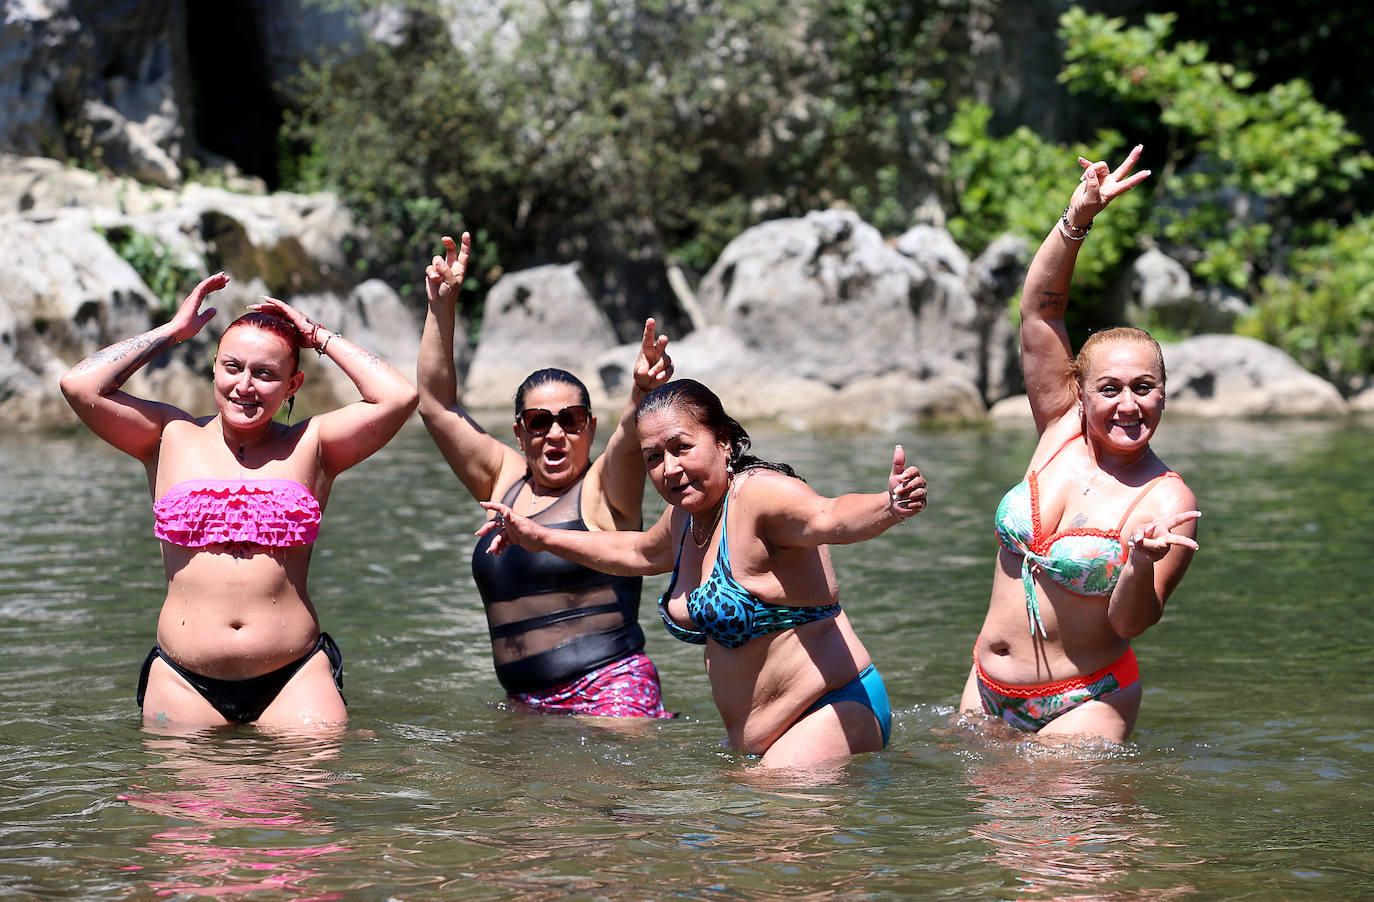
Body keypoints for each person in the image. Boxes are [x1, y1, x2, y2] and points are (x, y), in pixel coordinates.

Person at [477, 378, 928, 768]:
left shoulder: (759, 496)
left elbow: (828, 515)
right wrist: (539, 536)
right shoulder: (686, 519)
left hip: (830, 709)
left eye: (681, 448)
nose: (669, 469)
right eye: (653, 458)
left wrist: (887, 506)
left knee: (757, 835)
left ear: (724, 441)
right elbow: (635, 550)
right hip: (756, 742)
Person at [60, 273, 419, 727]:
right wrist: (172, 331)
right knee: (185, 800)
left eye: (266, 373)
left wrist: (319, 336)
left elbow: (400, 396)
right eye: (232, 367)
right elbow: (80, 386)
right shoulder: (168, 435)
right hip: (183, 679)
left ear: (293, 385)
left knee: (314, 797)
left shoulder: (314, 444)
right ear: (213, 366)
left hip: (294, 677)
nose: (245, 385)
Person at [959, 145, 1200, 742]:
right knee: (993, 835)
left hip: (1086, 699)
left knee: (1068, 834)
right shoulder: (1060, 427)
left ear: (1164, 395)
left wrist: (1140, 564)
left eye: (1144, 388)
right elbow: (1040, 311)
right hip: (986, 688)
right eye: (1110, 388)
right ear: (1081, 394)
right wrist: (1077, 221)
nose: (1127, 405)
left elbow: (1133, 621)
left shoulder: (1167, 503)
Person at [417, 232, 675, 717]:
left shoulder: (604, 489)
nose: (555, 434)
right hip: (524, 704)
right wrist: (441, 305)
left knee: (594, 796)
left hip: (610, 689)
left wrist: (640, 392)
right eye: (539, 422)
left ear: (589, 427)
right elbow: (436, 406)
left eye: (570, 420)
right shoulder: (503, 479)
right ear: (520, 433)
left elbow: (627, 433)